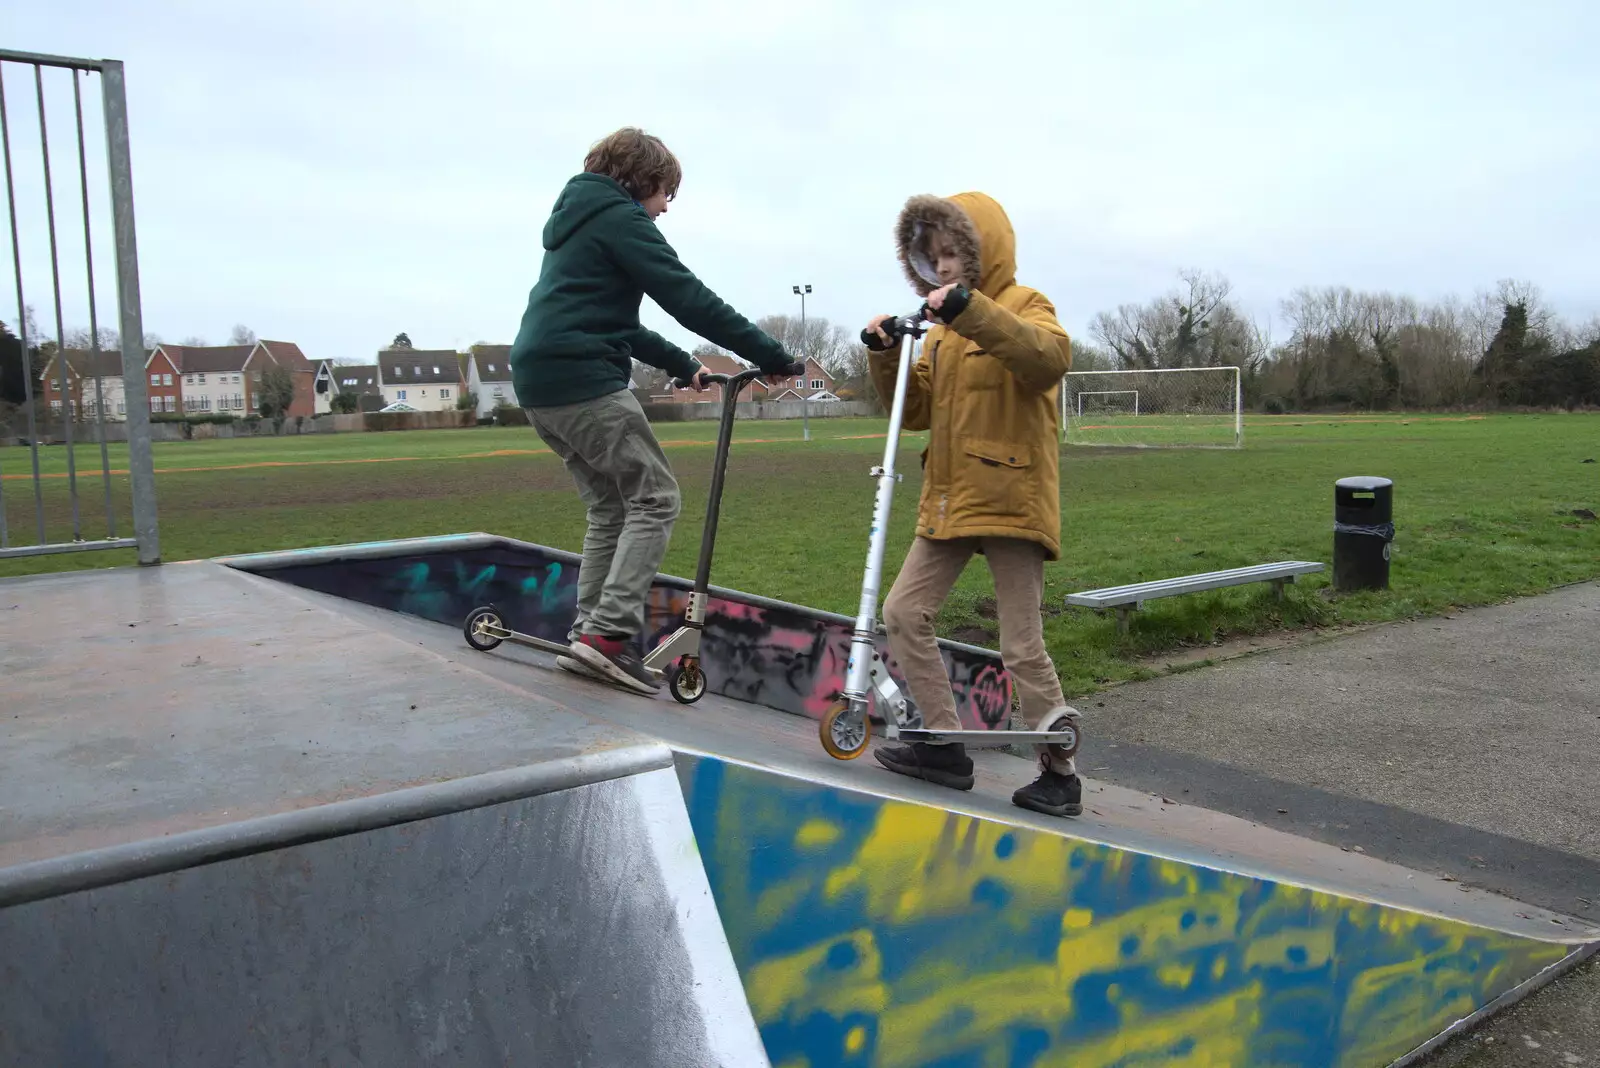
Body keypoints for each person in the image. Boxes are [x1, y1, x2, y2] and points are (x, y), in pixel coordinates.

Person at [510, 127, 792, 695]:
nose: (665, 208)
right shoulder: (621, 218)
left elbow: (620, 323)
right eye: (666, 193)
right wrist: (772, 355)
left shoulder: (578, 221)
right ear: (642, 179)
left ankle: (591, 634)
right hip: (584, 379)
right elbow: (688, 297)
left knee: (611, 507)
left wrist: (683, 365)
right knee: (657, 497)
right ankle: (609, 636)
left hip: (540, 384)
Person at [862, 191, 1083, 817]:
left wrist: (970, 310)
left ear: (983, 250)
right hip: (950, 499)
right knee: (903, 612)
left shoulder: (1024, 306)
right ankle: (944, 744)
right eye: (934, 257)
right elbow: (916, 413)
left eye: (954, 252)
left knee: (1021, 643)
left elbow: (1047, 360)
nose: (944, 265)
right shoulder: (939, 334)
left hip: (1013, 497)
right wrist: (886, 355)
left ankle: (1059, 772)